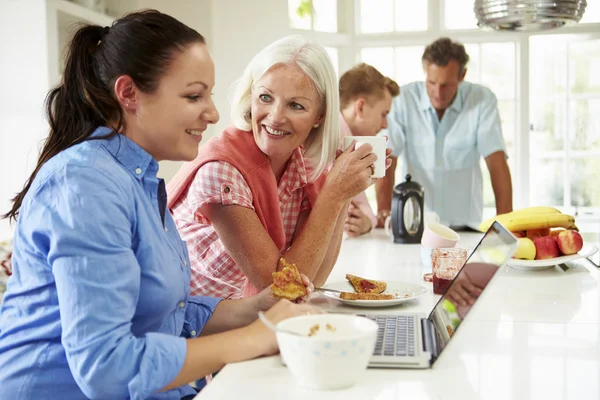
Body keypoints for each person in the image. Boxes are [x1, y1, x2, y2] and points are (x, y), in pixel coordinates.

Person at [0, 11, 319, 400]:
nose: (214, 113)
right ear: (129, 94)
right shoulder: (85, 184)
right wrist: (256, 338)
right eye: (193, 95)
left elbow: (168, 312)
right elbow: (107, 367)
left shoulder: (140, 179)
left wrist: (257, 308)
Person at [168, 36, 388, 299]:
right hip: (188, 330)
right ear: (251, 97)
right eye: (265, 97)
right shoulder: (221, 173)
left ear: (320, 116)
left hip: (244, 322)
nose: (275, 117)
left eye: (296, 105)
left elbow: (314, 278)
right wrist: (335, 194)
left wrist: (346, 191)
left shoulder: (303, 166)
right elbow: (284, 290)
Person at [375, 37, 513, 230]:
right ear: (425, 72)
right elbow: (387, 161)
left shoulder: (482, 100)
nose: (438, 93)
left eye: (446, 85)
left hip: (466, 226)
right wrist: (385, 216)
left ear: (462, 75)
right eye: (431, 82)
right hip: (414, 224)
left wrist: (504, 228)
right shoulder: (403, 100)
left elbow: (496, 163)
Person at [338, 63, 399, 237]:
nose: (385, 124)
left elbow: (365, 210)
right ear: (361, 107)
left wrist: (364, 222)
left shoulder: (349, 144)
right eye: (383, 114)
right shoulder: (325, 142)